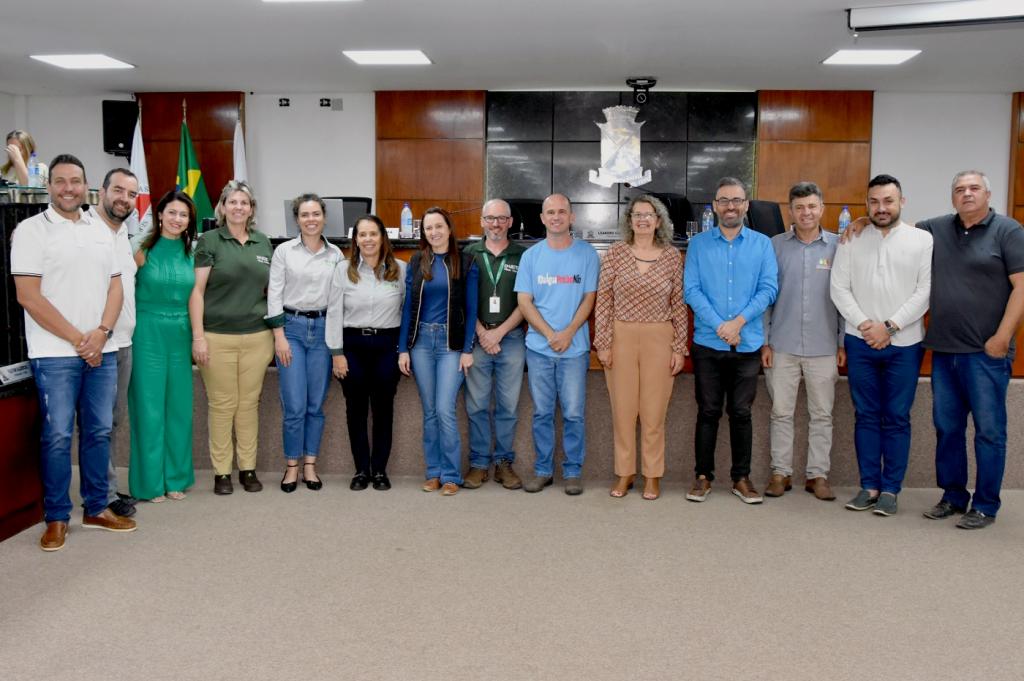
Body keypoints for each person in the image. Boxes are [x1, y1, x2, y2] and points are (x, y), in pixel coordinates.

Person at [11, 154, 136, 551]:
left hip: (103, 348)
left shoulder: (101, 231)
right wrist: (80, 340)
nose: (69, 188)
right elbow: (27, 296)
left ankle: (97, 507)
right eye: (61, 181)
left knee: (100, 431)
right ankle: (57, 517)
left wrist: (100, 333)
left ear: (86, 186)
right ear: (49, 186)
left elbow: (116, 286)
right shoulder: (31, 231)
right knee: (58, 435)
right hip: (55, 353)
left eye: (76, 181)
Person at [918, 171, 1024, 529]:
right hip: (944, 352)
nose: (966, 194)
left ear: (987, 194)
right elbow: (893, 230)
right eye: (959, 189)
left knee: (989, 431)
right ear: (952, 197)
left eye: (974, 188)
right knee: (947, 428)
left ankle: (986, 504)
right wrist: (859, 222)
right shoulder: (935, 229)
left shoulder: (1008, 231)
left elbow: (1022, 288)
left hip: (986, 353)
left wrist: (1003, 337)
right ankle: (953, 496)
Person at [830, 174, 932, 517]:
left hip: (905, 344)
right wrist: (865, 325)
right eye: (874, 202)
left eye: (888, 201)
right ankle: (869, 485)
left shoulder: (922, 240)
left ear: (901, 202)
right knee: (867, 416)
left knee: (897, 418)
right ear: (867, 204)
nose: (881, 208)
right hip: (861, 343)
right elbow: (838, 288)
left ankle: (891, 490)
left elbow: (924, 292)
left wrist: (889, 326)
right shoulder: (851, 238)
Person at [683, 177, 778, 504]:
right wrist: (720, 325)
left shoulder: (762, 244)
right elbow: (691, 291)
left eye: (736, 200)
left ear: (746, 205)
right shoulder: (698, 245)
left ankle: (741, 478)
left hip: (747, 342)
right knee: (708, 410)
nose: (730, 206)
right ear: (715, 206)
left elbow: (768, 289)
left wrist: (737, 322)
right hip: (709, 343)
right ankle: (702, 477)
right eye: (723, 200)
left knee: (741, 412)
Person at [594, 195, 687, 501]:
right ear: (629, 221)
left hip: (660, 338)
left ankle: (652, 475)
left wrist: (678, 347)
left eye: (649, 215)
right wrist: (603, 343)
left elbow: (678, 305)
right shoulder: (615, 254)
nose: (643, 220)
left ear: (658, 221)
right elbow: (603, 301)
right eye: (637, 215)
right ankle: (625, 473)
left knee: (653, 412)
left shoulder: (672, 257)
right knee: (623, 410)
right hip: (620, 336)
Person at [189, 180, 275, 495]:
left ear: (252, 209)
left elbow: (271, 292)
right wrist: (198, 337)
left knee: (248, 404)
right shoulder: (209, 241)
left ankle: (248, 469)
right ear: (222, 208)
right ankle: (222, 472)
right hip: (216, 337)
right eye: (232, 202)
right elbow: (197, 292)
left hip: (257, 338)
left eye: (244, 203)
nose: (238, 207)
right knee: (223, 405)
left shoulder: (263, 243)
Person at [761, 182, 844, 502]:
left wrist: (841, 343)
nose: (806, 213)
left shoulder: (840, 246)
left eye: (812, 206)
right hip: (781, 344)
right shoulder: (775, 246)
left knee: (822, 414)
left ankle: (817, 475)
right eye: (799, 207)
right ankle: (780, 472)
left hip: (824, 347)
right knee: (781, 413)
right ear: (790, 211)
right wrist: (765, 343)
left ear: (822, 208)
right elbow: (766, 297)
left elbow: (844, 299)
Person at [514, 193, 600, 495]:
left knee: (574, 412)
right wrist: (551, 334)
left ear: (572, 217)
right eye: (550, 212)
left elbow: (589, 298)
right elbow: (524, 301)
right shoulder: (531, 256)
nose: (556, 217)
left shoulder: (588, 254)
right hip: (539, 348)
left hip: (574, 349)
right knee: (542, 412)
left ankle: (573, 471)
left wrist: (567, 333)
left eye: (562, 211)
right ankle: (542, 470)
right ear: (542, 218)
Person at [398, 207, 478, 496]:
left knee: (445, 410)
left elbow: (471, 310)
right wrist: (402, 349)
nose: (433, 232)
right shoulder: (418, 260)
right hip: (421, 344)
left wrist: (468, 349)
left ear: (449, 228)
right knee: (430, 412)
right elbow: (408, 307)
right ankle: (433, 473)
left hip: (450, 346)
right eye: (428, 228)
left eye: (438, 226)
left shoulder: (466, 262)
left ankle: (451, 475)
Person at [266, 194, 342, 493]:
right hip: (292, 331)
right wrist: (279, 336)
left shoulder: (336, 254)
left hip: (323, 331)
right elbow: (274, 294)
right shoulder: (284, 252)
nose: (311, 219)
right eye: (304, 214)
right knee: (294, 405)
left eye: (316, 214)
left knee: (315, 405)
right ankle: (292, 465)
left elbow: (337, 303)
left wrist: (336, 345)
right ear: (297, 219)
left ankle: (310, 464)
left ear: (324, 217)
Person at [326, 214, 406, 492]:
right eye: (362, 235)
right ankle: (361, 469)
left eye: (373, 234)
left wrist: (403, 351)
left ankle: (380, 471)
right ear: (356, 240)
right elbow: (334, 313)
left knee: (384, 410)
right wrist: (337, 352)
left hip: (387, 345)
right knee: (356, 409)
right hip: (352, 346)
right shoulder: (342, 270)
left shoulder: (401, 270)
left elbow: (407, 314)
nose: (368, 239)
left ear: (383, 237)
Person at [127, 190, 197, 502]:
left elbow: (196, 296)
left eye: (184, 215)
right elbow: (121, 291)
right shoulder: (140, 248)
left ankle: (176, 479)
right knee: (149, 408)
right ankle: (149, 482)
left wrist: (198, 335)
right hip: (147, 332)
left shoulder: (191, 250)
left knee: (179, 407)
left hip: (180, 333)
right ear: (159, 214)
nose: (177, 219)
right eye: (172, 213)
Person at [461, 199, 527, 490]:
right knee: (475, 405)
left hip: (510, 338)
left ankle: (503, 463)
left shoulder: (524, 256)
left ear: (511, 222)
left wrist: (498, 333)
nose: (496, 224)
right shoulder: (468, 254)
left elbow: (527, 302)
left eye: (502, 219)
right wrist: (482, 332)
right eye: (490, 218)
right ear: (482, 221)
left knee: (508, 406)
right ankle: (478, 464)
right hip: (475, 337)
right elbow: (461, 300)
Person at [90, 168, 141, 516]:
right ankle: (101, 496)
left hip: (124, 341)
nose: (124, 198)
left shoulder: (123, 233)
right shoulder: (84, 230)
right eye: (118, 190)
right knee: (97, 424)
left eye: (131, 194)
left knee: (113, 421)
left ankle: (104, 487)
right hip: (98, 344)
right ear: (102, 191)